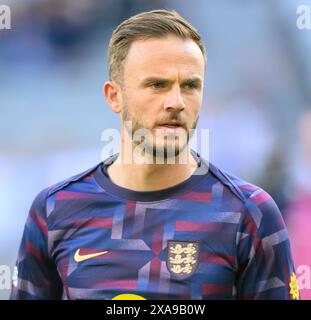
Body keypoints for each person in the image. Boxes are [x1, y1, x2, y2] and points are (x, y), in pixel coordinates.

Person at [10, 9, 299, 300]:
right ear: (114, 96)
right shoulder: (56, 210)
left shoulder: (250, 214)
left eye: (190, 85)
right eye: (157, 85)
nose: (176, 102)